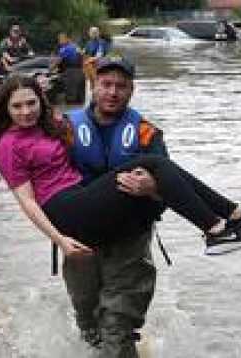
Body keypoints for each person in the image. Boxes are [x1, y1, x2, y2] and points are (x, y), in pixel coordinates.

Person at [0, 73, 241, 353]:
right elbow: (27, 202)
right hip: (67, 211)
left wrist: (149, 190)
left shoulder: (55, 126)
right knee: (156, 165)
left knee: (113, 326)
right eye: (17, 107)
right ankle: (222, 223)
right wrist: (59, 239)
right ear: (5, 109)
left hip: (93, 209)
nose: (26, 112)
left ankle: (231, 217)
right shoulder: (7, 145)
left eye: (31, 103)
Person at [62, 55, 168, 355]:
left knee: (117, 327)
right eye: (106, 84)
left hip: (129, 242)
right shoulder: (65, 129)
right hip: (80, 243)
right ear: (93, 86)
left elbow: (172, 185)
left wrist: (152, 187)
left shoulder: (146, 133)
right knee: (89, 323)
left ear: (131, 91)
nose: (112, 92)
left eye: (120, 86)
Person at [51, 32, 85, 104]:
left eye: (60, 39)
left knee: (70, 99)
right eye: (59, 39)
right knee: (80, 99)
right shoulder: (76, 47)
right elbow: (82, 57)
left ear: (67, 39)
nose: (59, 41)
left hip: (70, 74)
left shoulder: (64, 49)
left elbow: (57, 61)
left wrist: (50, 69)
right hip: (80, 73)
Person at [82, 26, 112, 90]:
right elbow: (85, 52)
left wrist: (90, 59)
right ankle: (93, 96)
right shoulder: (89, 43)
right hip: (90, 66)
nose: (93, 34)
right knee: (92, 85)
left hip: (99, 66)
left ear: (98, 33)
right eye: (92, 33)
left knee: (98, 84)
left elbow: (99, 55)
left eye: (94, 33)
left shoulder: (101, 43)